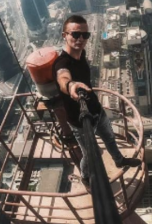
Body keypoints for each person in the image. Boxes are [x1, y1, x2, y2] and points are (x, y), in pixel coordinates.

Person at [53, 15, 141, 187]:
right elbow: (62, 76)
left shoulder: (82, 53)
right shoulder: (61, 63)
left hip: (97, 111)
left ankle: (119, 160)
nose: (81, 39)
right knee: (90, 154)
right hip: (79, 122)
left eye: (85, 35)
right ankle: (86, 177)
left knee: (109, 138)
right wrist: (70, 85)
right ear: (64, 35)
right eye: (75, 34)